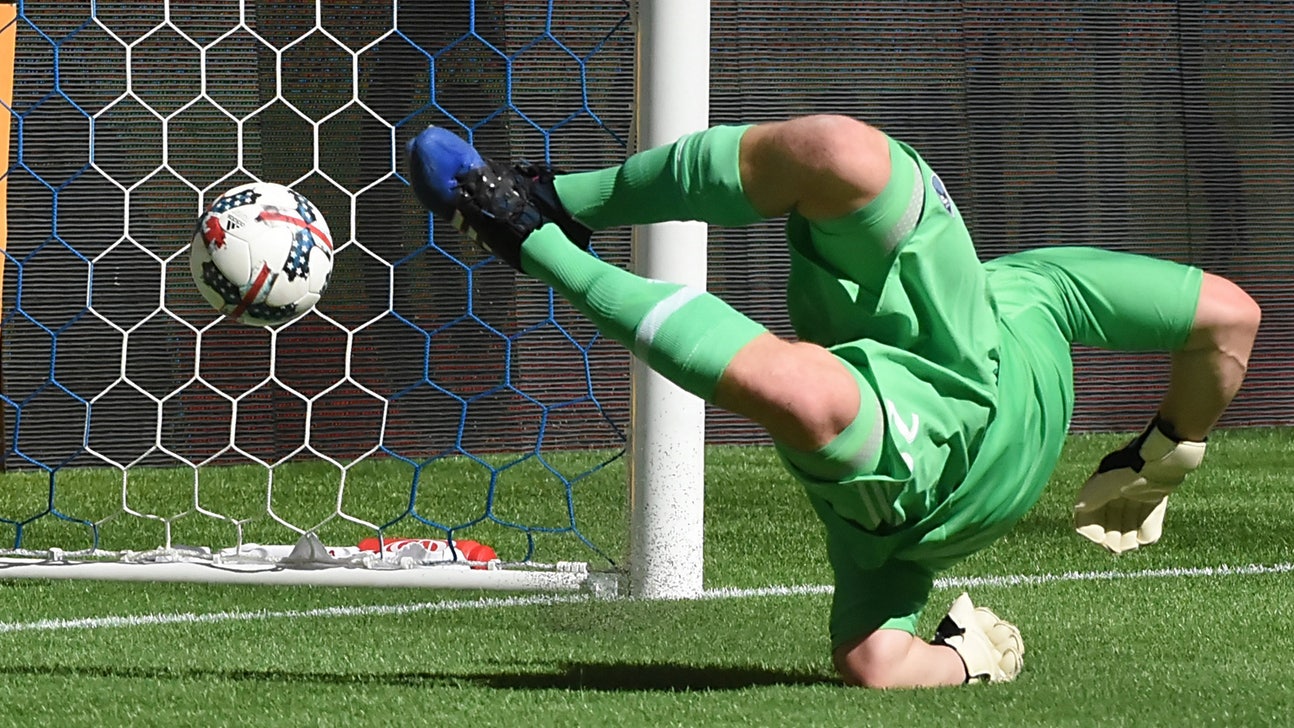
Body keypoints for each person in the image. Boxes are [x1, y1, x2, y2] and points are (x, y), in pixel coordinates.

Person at [405, 115, 1261, 688]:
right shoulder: (1037, 283)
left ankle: (530, 238)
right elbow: (1230, 323)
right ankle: (556, 201)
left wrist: (967, 661)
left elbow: (875, 661)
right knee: (841, 154)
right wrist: (1159, 461)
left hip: (962, 474)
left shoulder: (1036, 297)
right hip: (972, 306)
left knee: (809, 398)